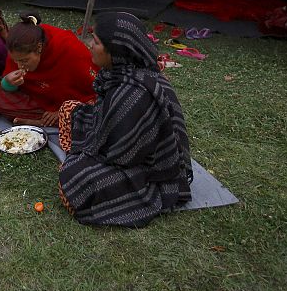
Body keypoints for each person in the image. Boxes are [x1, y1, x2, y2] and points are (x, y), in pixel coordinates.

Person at [58, 12, 193, 227]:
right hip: (122, 143)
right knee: (68, 109)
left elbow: (122, 154)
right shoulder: (119, 73)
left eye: (97, 42)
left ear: (116, 50)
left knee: (76, 181)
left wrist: (88, 153)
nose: (90, 45)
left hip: (147, 167)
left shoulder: (133, 93)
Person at [0, 13, 97, 126]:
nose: (19, 66)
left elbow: (98, 92)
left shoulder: (70, 50)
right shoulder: (17, 47)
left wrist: (63, 111)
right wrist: (8, 81)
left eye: (24, 61)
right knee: (0, 101)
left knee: (91, 114)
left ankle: (46, 121)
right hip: (42, 101)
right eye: (15, 61)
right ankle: (50, 121)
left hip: (74, 103)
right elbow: (10, 85)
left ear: (39, 48)